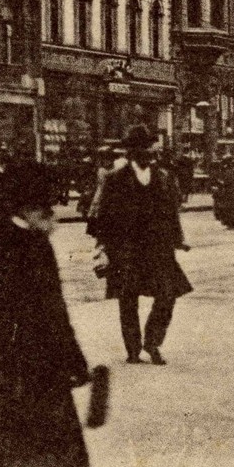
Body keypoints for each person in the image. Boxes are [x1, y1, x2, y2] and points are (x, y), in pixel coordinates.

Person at [0, 159, 96, 467]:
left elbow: (55, 313)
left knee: (44, 463)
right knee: (19, 466)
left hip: (44, 369)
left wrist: (74, 362)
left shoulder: (35, 243)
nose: (54, 221)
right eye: (48, 212)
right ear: (30, 209)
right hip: (15, 369)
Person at [89, 123, 192, 365]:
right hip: (126, 249)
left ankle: (153, 343)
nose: (150, 153)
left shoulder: (163, 177)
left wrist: (178, 240)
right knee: (128, 299)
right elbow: (103, 214)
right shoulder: (116, 179)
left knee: (168, 293)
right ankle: (133, 349)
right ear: (132, 152)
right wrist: (102, 246)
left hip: (158, 248)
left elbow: (170, 212)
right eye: (143, 149)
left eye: (150, 148)